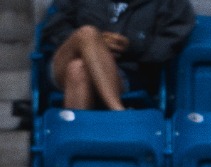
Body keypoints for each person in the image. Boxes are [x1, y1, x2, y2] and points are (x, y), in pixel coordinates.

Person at [41, 0, 195, 111]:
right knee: (88, 34)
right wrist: (97, 43)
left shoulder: (170, 3)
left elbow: (170, 43)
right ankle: (118, 111)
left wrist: (132, 46)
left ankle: (76, 144)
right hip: (66, 58)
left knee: (78, 69)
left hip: (124, 72)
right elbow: (54, 28)